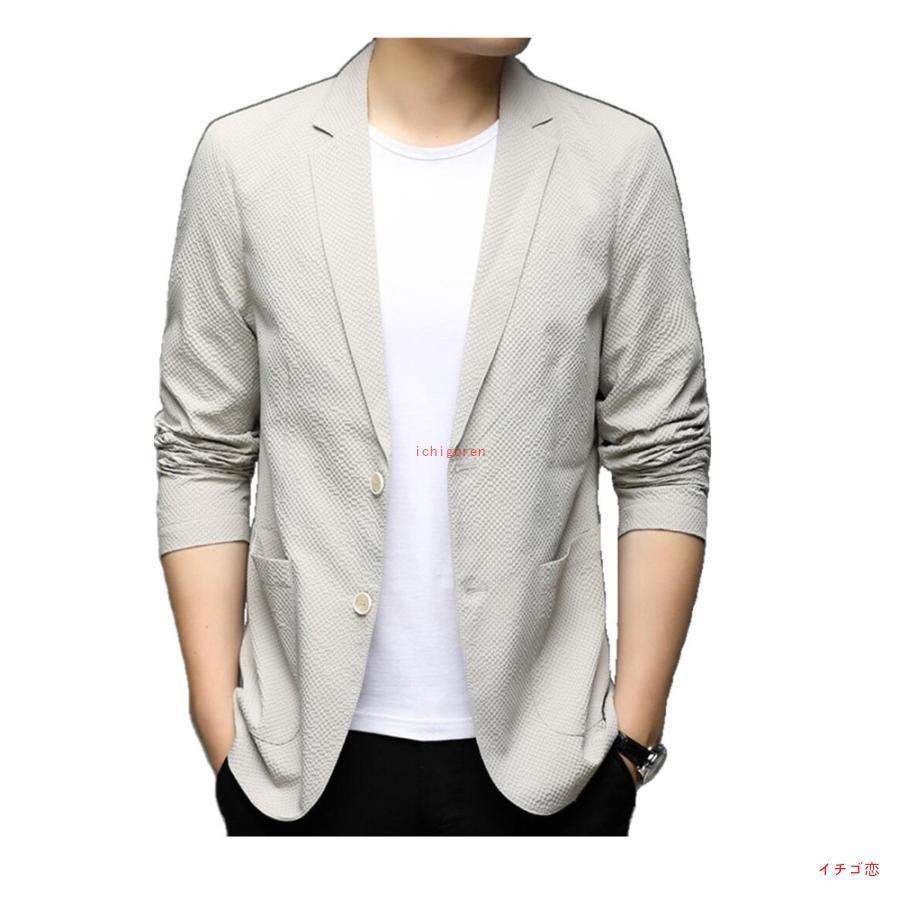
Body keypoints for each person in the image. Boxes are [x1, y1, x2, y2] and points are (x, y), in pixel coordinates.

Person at [154, 36, 710, 836]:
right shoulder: (246, 160)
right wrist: (220, 729)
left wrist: (631, 743)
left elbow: (664, 455)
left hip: (551, 762)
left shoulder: (618, 161)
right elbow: (201, 451)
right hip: (298, 761)